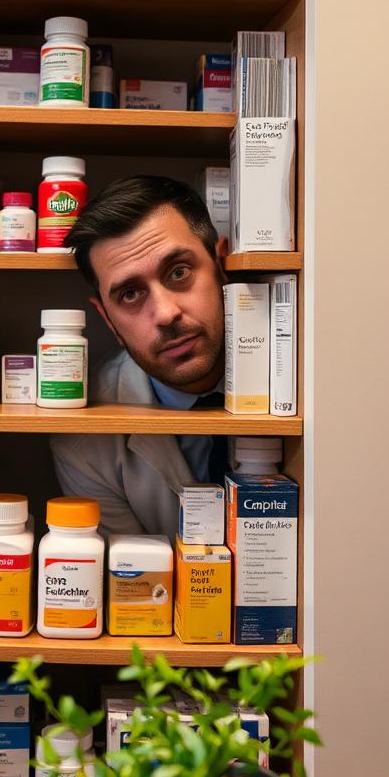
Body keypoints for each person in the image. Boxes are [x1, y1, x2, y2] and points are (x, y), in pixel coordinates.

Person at [50, 175, 227, 539]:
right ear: (107, 319)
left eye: (179, 272)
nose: (165, 314)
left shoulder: (305, 375)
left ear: (223, 267)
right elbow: (133, 581)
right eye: (130, 295)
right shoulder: (85, 443)